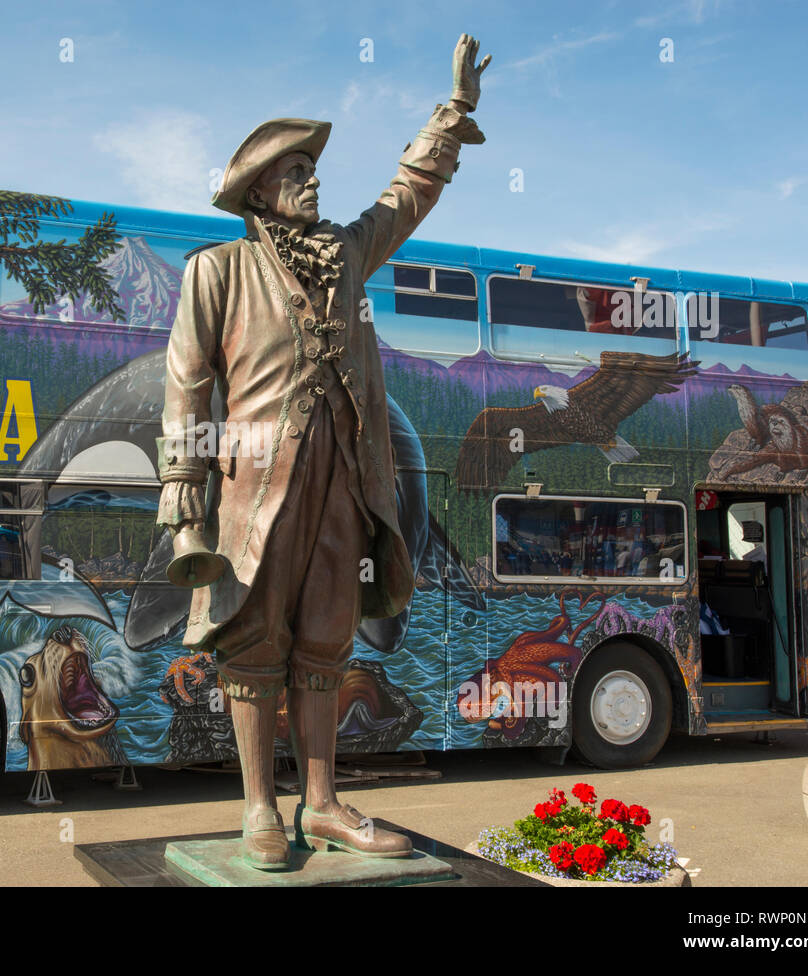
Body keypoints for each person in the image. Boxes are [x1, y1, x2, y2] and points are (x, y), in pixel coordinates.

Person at [157, 36, 490, 868]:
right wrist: (183, 491)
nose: (312, 181)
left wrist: (453, 115)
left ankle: (326, 804)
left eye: (312, 170)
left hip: (345, 484)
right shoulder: (219, 269)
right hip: (253, 491)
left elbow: (406, 195)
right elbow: (188, 384)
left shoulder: (346, 254)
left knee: (325, 642)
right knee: (252, 642)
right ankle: (259, 809)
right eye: (296, 172)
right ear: (261, 192)